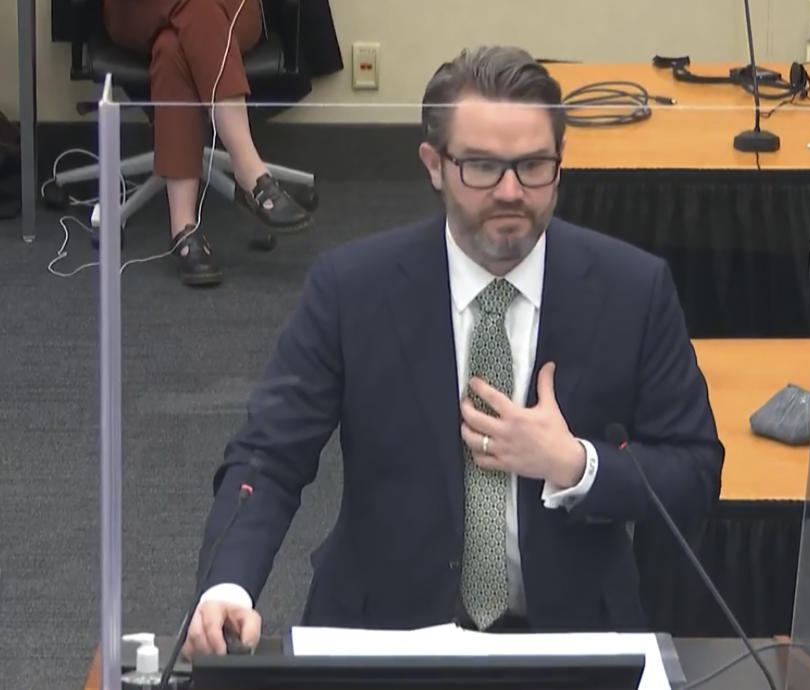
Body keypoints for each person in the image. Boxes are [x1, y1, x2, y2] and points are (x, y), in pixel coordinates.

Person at [182, 45, 724, 657]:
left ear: (561, 161)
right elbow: (268, 456)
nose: (511, 191)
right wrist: (229, 583)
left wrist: (576, 465)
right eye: (483, 167)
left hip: (573, 638)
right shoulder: (354, 288)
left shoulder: (633, 289)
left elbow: (696, 473)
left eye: (533, 166)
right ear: (434, 165)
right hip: (387, 632)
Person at [103, 0, 312, 287]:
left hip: (227, 9)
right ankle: (252, 174)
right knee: (188, 17)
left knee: (173, 44)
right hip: (140, 10)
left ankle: (183, 226)